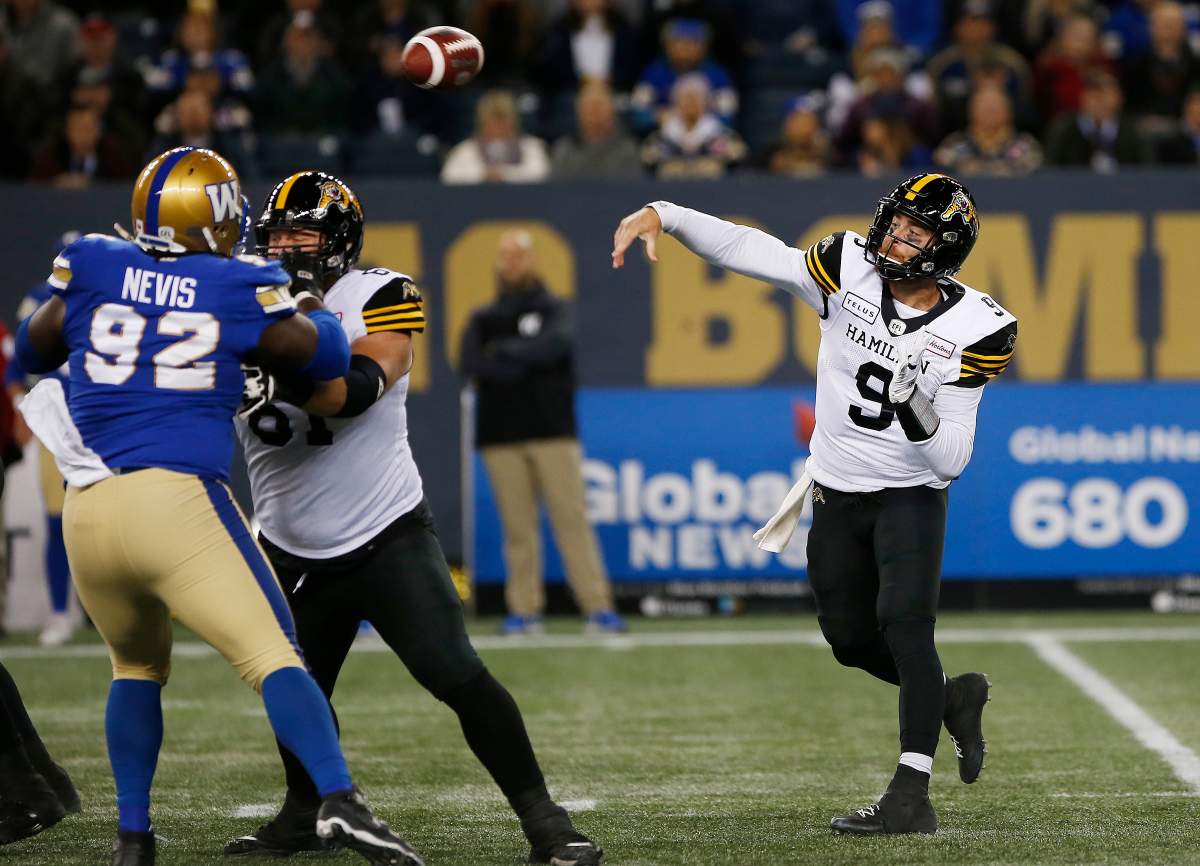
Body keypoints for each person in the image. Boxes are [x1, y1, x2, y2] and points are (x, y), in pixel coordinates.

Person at [13, 146, 423, 866]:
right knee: (277, 654)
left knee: (134, 669)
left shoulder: (94, 261)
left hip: (87, 510)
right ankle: (340, 800)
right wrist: (301, 300)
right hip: (173, 499)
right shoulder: (233, 281)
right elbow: (325, 356)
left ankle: (133, 839)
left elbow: (33, 347)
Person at [611, 172, 1014, 834]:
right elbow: (751, 250)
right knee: (849, 640)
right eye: (895, 222)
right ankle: (951, 698)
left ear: (944, 249)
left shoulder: (977, 327)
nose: (894, 238)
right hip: (834, 488)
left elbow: (952, 460)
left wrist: (916, 404)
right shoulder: (845, 267)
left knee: (906, 628)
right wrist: (667, 211)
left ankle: (911, 796)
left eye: (915, 233)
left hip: (911, 497)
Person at [226, 173, 603, 866]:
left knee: (455, 674)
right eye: (275, 234)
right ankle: (300, 813)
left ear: (336, 241)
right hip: (287, 543)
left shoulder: (380, 292)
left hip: (383, 532)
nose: (284, 245)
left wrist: (280, 356)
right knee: (295, 688)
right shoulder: (231, 301)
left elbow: (355, 392)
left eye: (300, 234)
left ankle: (545, 821)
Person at [460, 230, 625, 636]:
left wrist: (503, 353)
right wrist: (523, 356)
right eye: (505, 256)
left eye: (518, 255)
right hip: (500, 434)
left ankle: (597, 607)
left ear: (533, 260)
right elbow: (468, 363)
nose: (511, 263)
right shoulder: (482, 317)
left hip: (552, 430)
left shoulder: (555, 309)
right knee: (518, 528)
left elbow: (554, 346)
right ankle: (524, 610)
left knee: (572, 519)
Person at [6, 258, 78, 647]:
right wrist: (22, 407)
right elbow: (19, 364)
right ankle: (60, 613)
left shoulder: (114, 296)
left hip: (107, 424)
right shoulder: (43, 301)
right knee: (58, 522)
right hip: (59, 426)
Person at [640, 73, 747, 178]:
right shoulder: (660, 139)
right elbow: (649, 163)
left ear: (705, 101)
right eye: (685, 99)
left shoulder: (724, 137)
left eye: (695, 99)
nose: (690, 104)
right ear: (676, 102)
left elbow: (736, 161)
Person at [441, 90, 550, 184]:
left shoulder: (531, 147)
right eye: (493, 121)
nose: (498, 127)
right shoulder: (466, 149)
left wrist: (504, 175)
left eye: (503, 120)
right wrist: (483, 175)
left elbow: (540, 173)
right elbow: (450, 176)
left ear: (514, 122)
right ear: (482, 123)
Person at [934, 85, 1043, 174]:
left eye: (995, 108)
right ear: (971, 112)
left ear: (1009, 112)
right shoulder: (954, 143)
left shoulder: (1025, 144)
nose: (990, 112)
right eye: (984, 108)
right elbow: (942, 165)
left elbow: (1033, 168)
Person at [551, 81, 641, 178]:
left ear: (612, 112)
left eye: (599, 107)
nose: (594, 114)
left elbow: (630, 190)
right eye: (588, 107)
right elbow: (557, 190)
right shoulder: (565, 150)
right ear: (579, 113)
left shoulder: (627, 151)